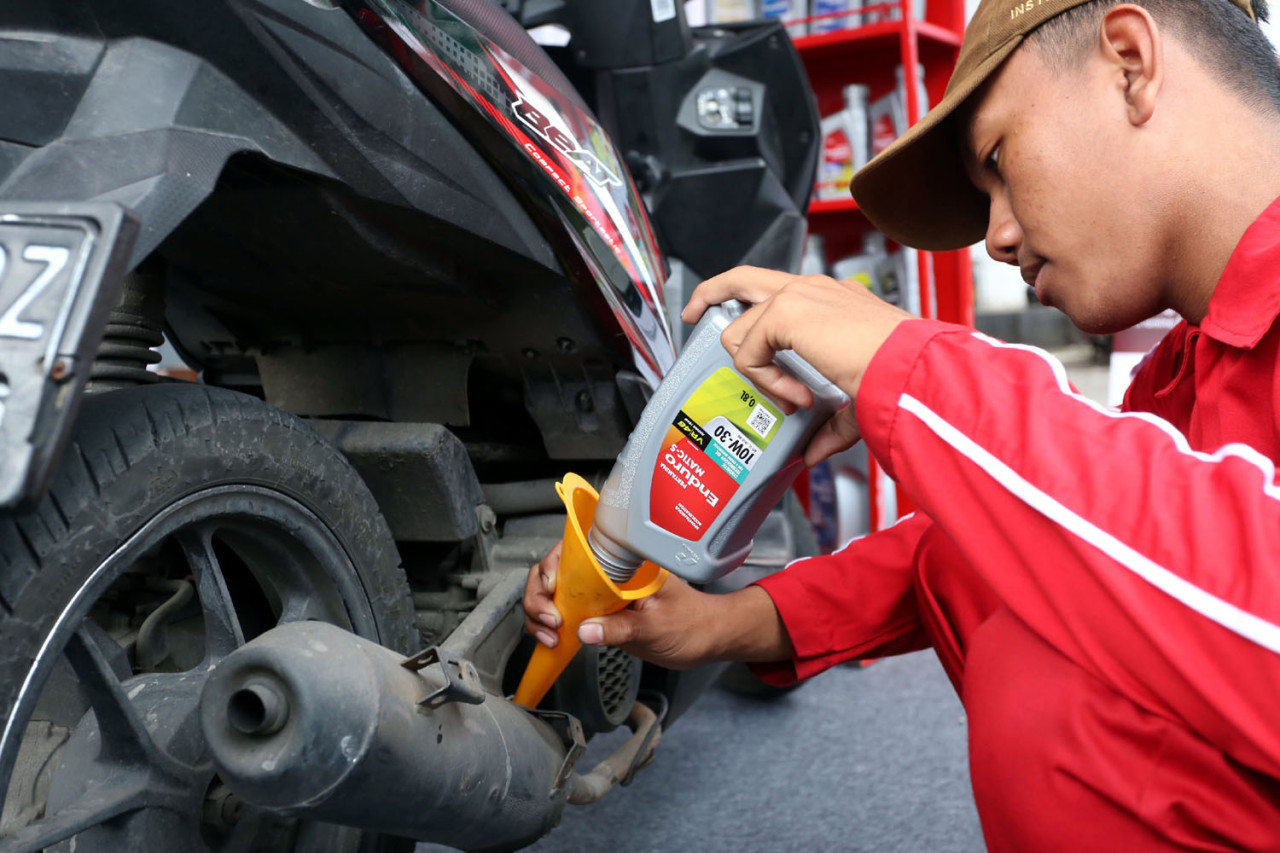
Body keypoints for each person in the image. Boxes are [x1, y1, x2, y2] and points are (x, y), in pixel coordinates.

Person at [524, 0, 1280, 848]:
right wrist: (716, 623)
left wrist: (909, 366)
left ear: (1131, 63)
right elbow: (968, 554)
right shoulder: (1195, 369)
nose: (994, 236)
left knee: (1059, 687)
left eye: (997, 158)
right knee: (1028, 554)